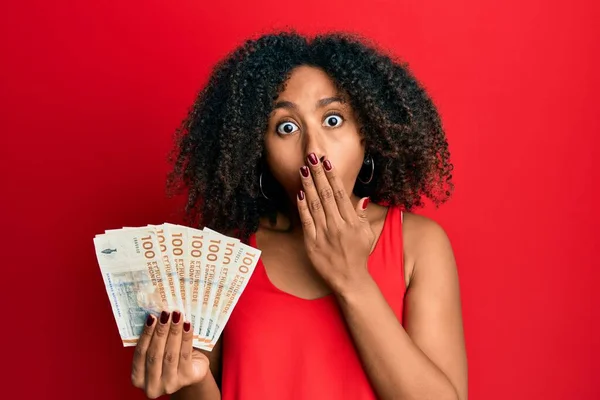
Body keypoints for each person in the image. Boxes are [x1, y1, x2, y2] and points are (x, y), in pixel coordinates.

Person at [130, 30, 468, 400]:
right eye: (286, 128)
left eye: (333, 120)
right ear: (257, 151)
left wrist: (352, 279)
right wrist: (190, 380)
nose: (314, 149)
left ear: (367, 134)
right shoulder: (227, 254)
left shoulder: (418, 243)